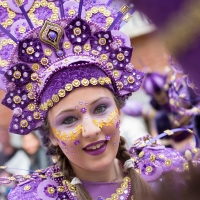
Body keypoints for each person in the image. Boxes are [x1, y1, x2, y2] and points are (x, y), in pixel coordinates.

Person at [0, 0, 199, 200]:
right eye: (69, 120)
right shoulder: (36, 196)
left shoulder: (165, 170)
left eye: (101, 108)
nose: (92, 129)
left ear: (119, 111)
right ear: (51, 135)